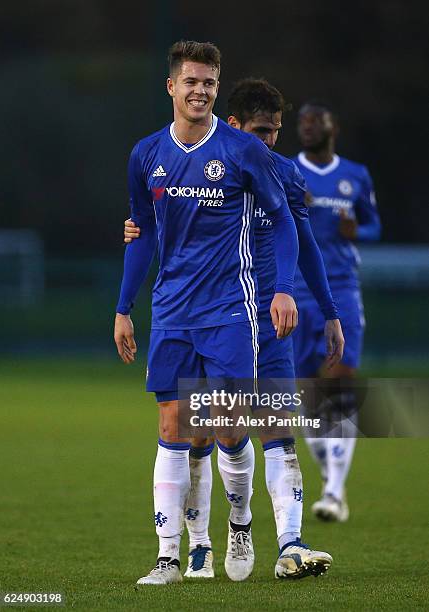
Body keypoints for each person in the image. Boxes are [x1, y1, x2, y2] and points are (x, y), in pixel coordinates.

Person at [123, 78, 345, 580]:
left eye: (276, 133)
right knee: (200, 434)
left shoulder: (283, 175)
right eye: (261, 132)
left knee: (276, 433)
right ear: (237, 127)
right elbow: (168, 213)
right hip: (216, 315)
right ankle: (197, 545)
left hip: (271, 325)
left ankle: (286, 542)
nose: (269, 142)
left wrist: (328, 312)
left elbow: (304, 242)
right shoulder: (219, 160)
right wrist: (140, 227)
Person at [293, 101, 381, 521]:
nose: (308, 127)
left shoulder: (355, 175)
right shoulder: (288, 172)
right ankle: (334, 481)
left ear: (333, 126)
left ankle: (332, 490)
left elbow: (374, 225)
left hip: (342, 290)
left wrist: (357, 230)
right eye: (303, 122)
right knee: (309, 393)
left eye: (316, 120)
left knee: (341, 385)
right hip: (297, 291)